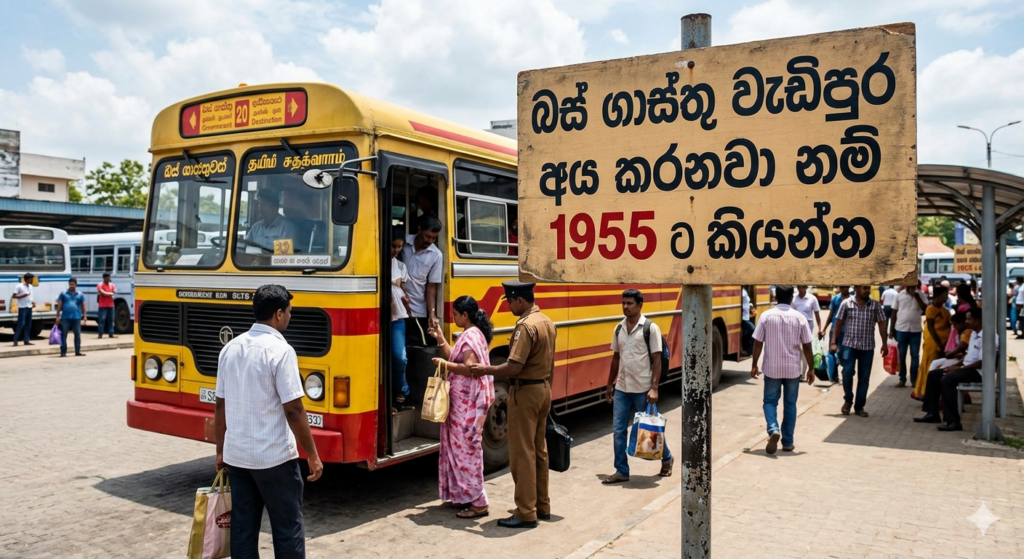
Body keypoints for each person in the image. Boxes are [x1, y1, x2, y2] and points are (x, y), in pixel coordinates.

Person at [214, 284, 323, 559]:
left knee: (242, 530)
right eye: (289, 311)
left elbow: (220, 406)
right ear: (278, 314)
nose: (289, 316)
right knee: (287, 530)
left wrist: (219, 451)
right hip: (275, 460)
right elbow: (294, 411)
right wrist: (312, 454)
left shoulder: (230, 349)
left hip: (237, 457)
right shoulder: (281, 351)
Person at [469, 281, 554, 529]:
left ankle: (526, 512)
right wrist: (548, 391)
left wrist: (485, 369)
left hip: (525, 392)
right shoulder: (547, 321)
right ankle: (542, 505)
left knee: (521, 454)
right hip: (543, 389)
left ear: (519, 300)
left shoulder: (525, 327)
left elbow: (514, 366)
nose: (509, 306)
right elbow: (552, 364)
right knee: (539, 450)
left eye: (510, 301)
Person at [427, 296, 495, 519]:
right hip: (462, 404)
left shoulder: (471, 335)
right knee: (459, 450)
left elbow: (470, 368)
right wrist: (440, 339)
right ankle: (464, 496)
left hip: (467, 405)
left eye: (455, 315)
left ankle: (479, 502)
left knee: (466, 451)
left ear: (465, 315)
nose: (453, 318)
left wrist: (445, 365)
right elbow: (455, 355)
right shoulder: (472, 335)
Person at [602, 289, 674, 484]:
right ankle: (621, 470)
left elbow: (657, 360)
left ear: (640, 305)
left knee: (651, 430)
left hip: (643, 389)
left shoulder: (650, 328)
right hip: (622, 388)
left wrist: (654, 388)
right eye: (623, 303)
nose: (625, 306)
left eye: (629, 303)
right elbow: (616, 358)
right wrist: (610, 384)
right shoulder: (619, 328)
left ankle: (667, 458)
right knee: (618, 430)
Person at [750, 286, 815, 454]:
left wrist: (754, 364)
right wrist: (811, 369)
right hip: (793, 369)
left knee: (770, 401)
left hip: (772, 368)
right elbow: (807, 345)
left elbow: (758, 342)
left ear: (775, 296)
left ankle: (773, 429)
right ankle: (788, 442)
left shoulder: (766, 316)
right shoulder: (799, 318)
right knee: (790, 404)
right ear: (791, 299)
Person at [915, 308, 991, 431]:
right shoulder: (973, 334)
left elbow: (983, 362)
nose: (966, 322)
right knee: (934, 374)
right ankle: (932, 413)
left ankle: (953, 421)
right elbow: (969, 356)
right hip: (967, 368)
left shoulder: (988, 337)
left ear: (978, 320)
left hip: (977, 372)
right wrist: (957, 364)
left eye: (969, 319)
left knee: (947, 380)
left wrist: (959, 368)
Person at [830, 285, 888, 417]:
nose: (867, 290)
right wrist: (833, 342)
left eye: (868, 288)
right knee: (847, 372)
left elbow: (882, 324)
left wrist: (884, 344)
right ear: (856, 289)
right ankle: (848, 400)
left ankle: (859, 406)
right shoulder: (846, 304)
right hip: (849, 345)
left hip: (867, 347)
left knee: (864, 378)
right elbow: (838, 323)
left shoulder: (875, 305)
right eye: (864, 288)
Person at [402, 215, 444, 347]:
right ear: (419, 230)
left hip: (417, 311)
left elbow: (431, 287)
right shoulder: (403, 243)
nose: (430, 241)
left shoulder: (436, 255)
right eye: (427, 236)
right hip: (397, 307)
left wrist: (432, 312)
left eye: (434, 238)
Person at [913, 286, 951, 400]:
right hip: (933, 342)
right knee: (929, 366)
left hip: (944, 343)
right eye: (944, 295)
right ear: (938, 296)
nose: (946, 297)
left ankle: (936, 393)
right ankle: (924, 392)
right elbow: (930, 327)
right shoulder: (931, 309)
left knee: (939, 367)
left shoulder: (945, 310)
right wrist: (939, 343)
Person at [889, 282, 928, 388]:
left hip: (915, 330)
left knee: (915, 355)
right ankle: (902, 379)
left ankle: (914, 380)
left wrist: (917, 297)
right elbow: (894, 313)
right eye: (910, 287)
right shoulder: (899, 295)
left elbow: (926, 309)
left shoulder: (921, 294)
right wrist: (891, 330)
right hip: (901, 329)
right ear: (907, 286)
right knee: (901, 355)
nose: (912, 289)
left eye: (914, 287)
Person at [390, 228, 413, 410]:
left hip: (397, 316)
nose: (396, 250)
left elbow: (404, 289)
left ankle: (402, 390)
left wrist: (406, 301)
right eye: (393, 246)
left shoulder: (400, 266)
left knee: (399, 357)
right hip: (378, 317)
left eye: (399, 246)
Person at [821, 286, 854, 383]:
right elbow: (830, 315)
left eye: (846, 287)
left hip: (848, 331)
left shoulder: (853, 299)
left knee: (845, 353)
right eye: (843, 287)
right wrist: (824, 329)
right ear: (840, 287)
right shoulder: (835, 299)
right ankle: (834, 376)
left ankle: (846, 372)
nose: (845, 289)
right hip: (834, 330)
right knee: (832, 352)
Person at [55, 278, 87, 358]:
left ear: (76, 284)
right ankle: (63, 352)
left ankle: (77, 351)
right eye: (70, 284)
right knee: (63, 335)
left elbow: (83, 306)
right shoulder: (63, 293)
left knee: (77, 335)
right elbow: (59, 305)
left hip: (76, 317)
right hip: (65, 317)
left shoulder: (80, 294)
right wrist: (57, 316)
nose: (71, 286)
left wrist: (85, 316)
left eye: (73, 284)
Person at [11, 272, 35, 346]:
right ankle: (15, 340)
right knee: (21, 324)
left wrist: (33, 302)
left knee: (28, 324)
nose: (32, 280)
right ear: (27, 279)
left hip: (29, 306)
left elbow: (30, 296)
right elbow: (14, 296)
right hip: (22, 307)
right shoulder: (19, 286)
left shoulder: (30, 286)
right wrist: (23, 295)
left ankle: (26, 340)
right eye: (31, 278)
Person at [96, 272, 117, 339]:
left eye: (109, 277)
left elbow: (114, 291)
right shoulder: (100, 285)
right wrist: (110, 294)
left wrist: (106, 293)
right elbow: (103, 293)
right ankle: (100, 334)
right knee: (102, 320)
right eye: (107, 277)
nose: (108, 278)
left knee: (111, 320)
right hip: (102, 305)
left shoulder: (112, 285)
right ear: (104, 278)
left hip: (111, 305)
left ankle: (111, 333)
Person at [740, 287, 755, 356]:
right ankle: (748, 351)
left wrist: (750, 305)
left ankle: (747, 350)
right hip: (743, 317)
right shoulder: (742, 291)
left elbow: (747, 301)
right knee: (752, 329)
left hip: (746, 316)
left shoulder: (743, 291)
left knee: (747, 332)